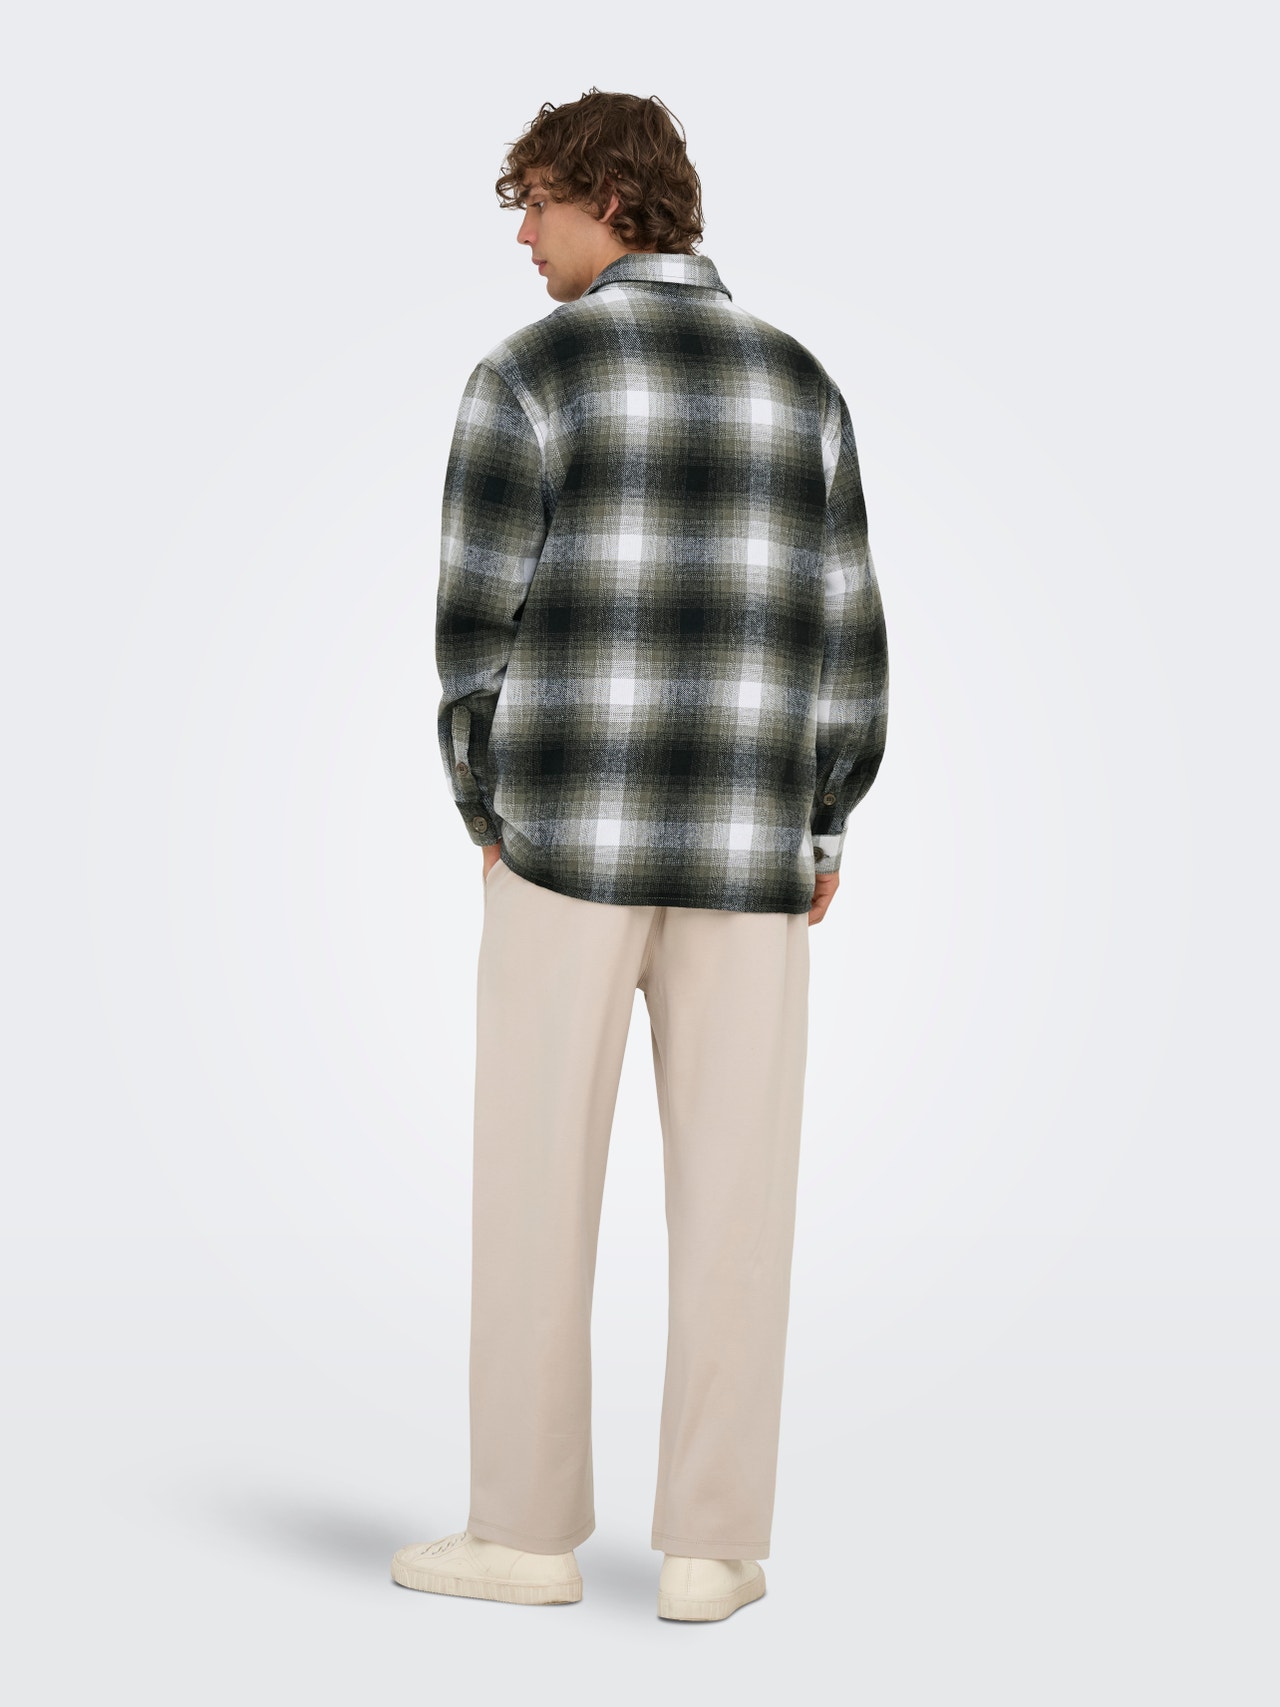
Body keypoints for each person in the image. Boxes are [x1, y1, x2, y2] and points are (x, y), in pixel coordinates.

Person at [391, 88, 889, 1622]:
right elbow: (847, 636)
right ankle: (711, 1552)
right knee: (741, 1200)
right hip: (748, 852)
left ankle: (525, 1536)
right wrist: (824, 818)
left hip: (563, 847)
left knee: (532, 1187)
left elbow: (473, 632)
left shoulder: (526, 377)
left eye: (535, 205)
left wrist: (484, 807)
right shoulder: (801, 386)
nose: (523, 239)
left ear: (610, 199)